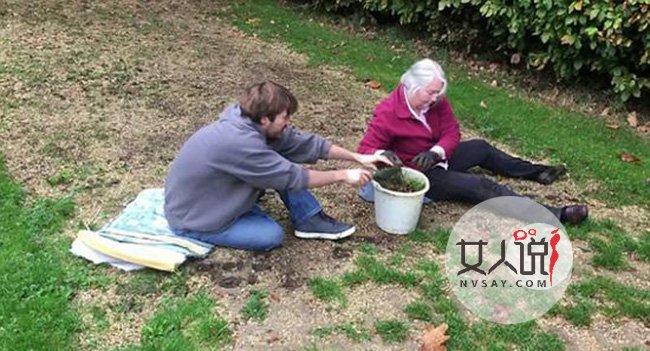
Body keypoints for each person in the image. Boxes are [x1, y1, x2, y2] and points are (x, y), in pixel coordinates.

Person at [164, 81, 391, 251]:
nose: (288, 122)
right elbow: (295, 178)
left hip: (207, 196)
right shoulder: (242, 144)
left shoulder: (247, 119)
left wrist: (358, 157)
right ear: (265, 119)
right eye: (285, 117)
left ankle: (309, 219)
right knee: (270, 235)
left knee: (277, 157)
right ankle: (208, 227)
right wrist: (343, 175)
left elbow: (304, 143)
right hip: (193, 218)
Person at [357, 59, 588, 224]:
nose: (435, 98)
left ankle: (538, 172)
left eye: (438, 92)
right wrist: (382, 155)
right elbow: (366, 148)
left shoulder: (436, 102)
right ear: (411, 87)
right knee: (480, 185)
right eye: (430, 93)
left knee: (481, 148)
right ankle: (553, 214)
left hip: (436, 158)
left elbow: (452, 132)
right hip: (419, 173)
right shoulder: (388, 112)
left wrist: (436, 152)